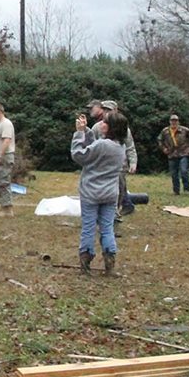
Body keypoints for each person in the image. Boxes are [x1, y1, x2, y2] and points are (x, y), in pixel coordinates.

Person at [72, 110, 129, 276]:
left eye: (105, 122)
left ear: (111, 127)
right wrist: (87, 131)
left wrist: (79, 133)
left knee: (88, 228)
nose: (101, 124)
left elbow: (79, 155)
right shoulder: (120, 147)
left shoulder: (102, 145)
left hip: (91, 192)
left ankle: (85, 263)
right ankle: (110, 264)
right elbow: (97, 147)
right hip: (110, 193)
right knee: (107, 228)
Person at [87, 100, 137, 215]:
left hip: (119, 165)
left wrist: (133, 162)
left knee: (119, 188)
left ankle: (114, 212)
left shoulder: (124, 128)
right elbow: (90, 145)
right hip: (101, 165)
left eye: (109, 110)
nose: (107, 113)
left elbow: (130, 147)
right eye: (104, 110)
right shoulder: (97, 127)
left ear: (116, 111)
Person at [158, 114, 189, 195]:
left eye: (175, 121)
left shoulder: (184, 130)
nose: (174, 122)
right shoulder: (165, 131)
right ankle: (176, 190)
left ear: (178, 122)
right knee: (174, 173)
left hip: (183, 153)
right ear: (169, 121)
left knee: (184, 171)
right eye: (172, 121)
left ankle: (186, 189)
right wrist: (164, 148)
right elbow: (159, 140)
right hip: (172, 154)